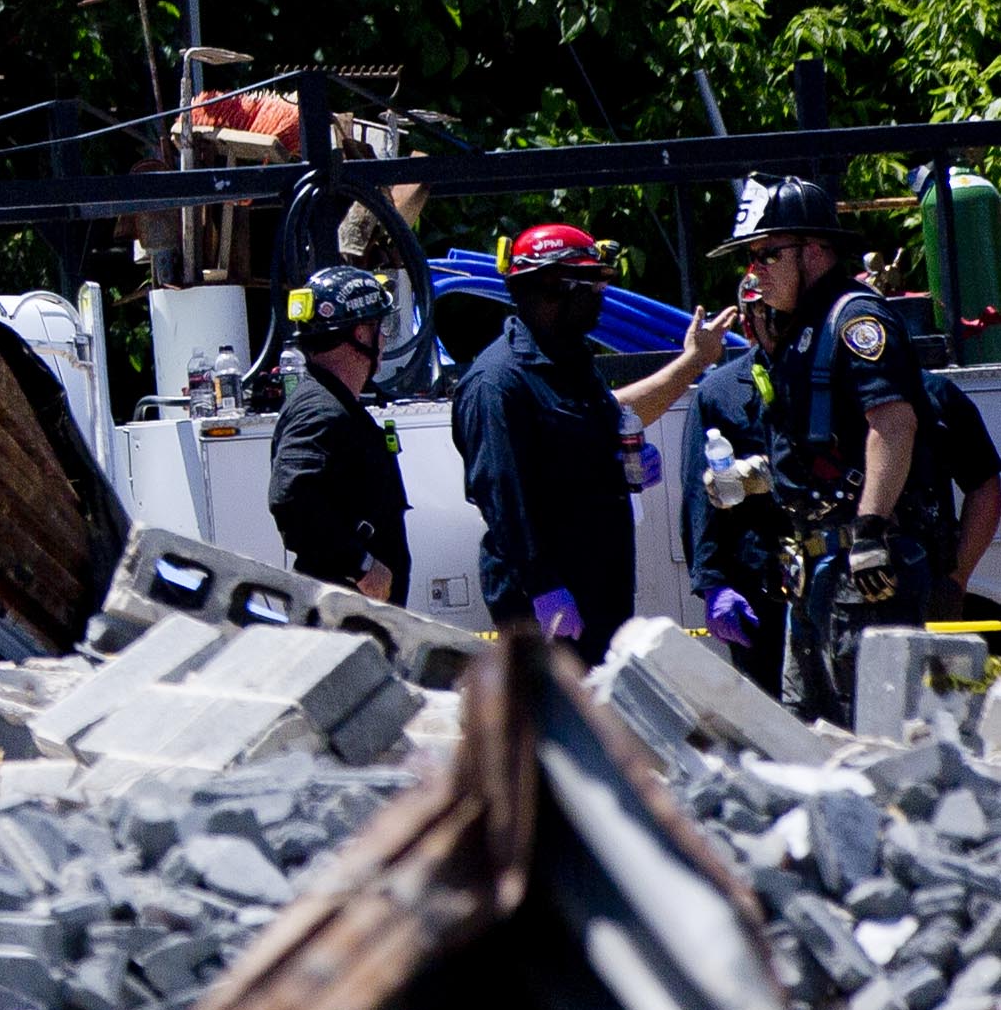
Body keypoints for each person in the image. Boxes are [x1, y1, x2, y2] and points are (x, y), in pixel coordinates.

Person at [696, 176, 957, 725]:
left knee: (871, 730)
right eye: (751, 258)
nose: (755, 270)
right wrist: (752, 476)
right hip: (814, 567)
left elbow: (892, 424)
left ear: (815, 250)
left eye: (767, 254)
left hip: (861, 566)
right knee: (808, 729)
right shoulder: (801, 331)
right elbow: (819, 450)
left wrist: (869, 533)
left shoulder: (856, 320)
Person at [459, 221, 722, 654]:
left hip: (598, 584)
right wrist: (544, 587)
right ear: (554, 288)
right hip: (546, 602)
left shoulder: (571, 361)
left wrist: (620, 461)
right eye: (592, 287)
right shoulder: (498, 382)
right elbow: (503, 495)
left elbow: (592, 433)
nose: (602, 299)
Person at [262, 265, 411, 600]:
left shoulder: (334, 404)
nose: (384, 338)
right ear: (360, 334)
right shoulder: (320, 410)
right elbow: (291, 496)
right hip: (339, 616)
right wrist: (361, 566)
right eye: (380, 326)